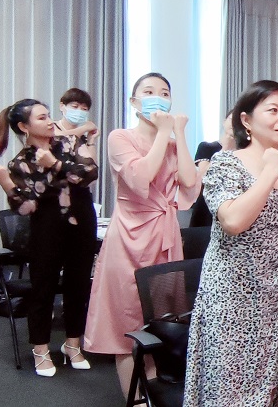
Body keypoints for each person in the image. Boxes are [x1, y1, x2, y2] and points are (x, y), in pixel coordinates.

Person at [183, 80, 278, 406]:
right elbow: (234, 221)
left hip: (273, 300)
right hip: (230, 301)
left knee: (268, 390)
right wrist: (268, 173)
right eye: (273, 110)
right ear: (246, 120)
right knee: (230, 393)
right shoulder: (226, 164)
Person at [84, 72, 200, 397]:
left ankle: (153, 393)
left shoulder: (173, 143)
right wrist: (164, 133)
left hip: (165, 237)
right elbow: (141, 177)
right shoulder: (119, 137)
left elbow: (190, 182)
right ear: (134, 102)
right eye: (148, 92)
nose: (157, 98)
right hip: (128, 239)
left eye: (164, 92)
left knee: (163, 320)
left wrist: (179, 133)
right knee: (126, 324)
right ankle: (134, 400)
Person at [0, 99, 99, 377]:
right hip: (47, 229)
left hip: (82, 223)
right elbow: (26, 207)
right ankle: (40, 349)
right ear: (24, 127)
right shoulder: (20, 162)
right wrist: (6, 182)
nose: (50, 121)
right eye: (42, 118)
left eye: (49, 115)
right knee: (43, 289)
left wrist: (55, 164)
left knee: (79, 285)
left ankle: (72, 344)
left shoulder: (69, 144)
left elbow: (90, 174)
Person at [189, 111, 235, 227]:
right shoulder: (207, 147)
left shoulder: (244, 153)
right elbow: (204, 176)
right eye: (231, 119)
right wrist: (225, 149)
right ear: (224, 122)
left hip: (231, 206)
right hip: (206, 207)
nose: (234, 123)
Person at [53, 88, 100, 164]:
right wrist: (85, 128)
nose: (79, 111)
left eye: (84, 109)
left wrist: (91, 140)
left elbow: (92, 165)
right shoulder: (52, 126)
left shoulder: (82, 137)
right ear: (62, 106)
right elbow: (60, 137)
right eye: (75, 106)